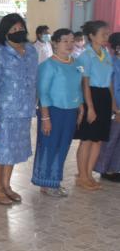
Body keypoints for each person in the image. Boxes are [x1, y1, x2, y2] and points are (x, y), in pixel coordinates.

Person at [0, 14, 37, 205]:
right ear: (5, 32)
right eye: (13, 29)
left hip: (24, 110)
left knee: (13, 149)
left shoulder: (31, 51)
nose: (18, 31)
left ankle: (6, 186)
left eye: (20, 28)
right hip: (4, 111)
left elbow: (34, 78)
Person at [30, 29, 84, 196]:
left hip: (70, 112)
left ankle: (55, 181)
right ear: (55, 43)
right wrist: (45, 118)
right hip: (52, 112)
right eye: (65, 41)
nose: (69, 44)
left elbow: (78, 86)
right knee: (49, 145)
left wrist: (80, 106)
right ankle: (46, 183)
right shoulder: (48, 66)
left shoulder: (76, 63)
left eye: (72, 40)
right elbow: (43, 93)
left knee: (63, 146)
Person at [75, 20, 115, 191]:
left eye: (107, 34)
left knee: (98, 140)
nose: (106, 37)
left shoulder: (106, 54)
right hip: (91, 96)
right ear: (91, 36)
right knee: (87, 139)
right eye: (103, 34)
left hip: (104, 97)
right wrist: (90, 108)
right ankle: (82, 176)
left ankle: (89, 174)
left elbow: (110, 81)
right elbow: (84, 83)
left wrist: (113, 104)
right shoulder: (85, 56)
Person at [94, 32, 120, 183]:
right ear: (117, 47)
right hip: (115, 107)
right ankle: (103, 169)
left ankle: (115, 168)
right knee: (111, 139)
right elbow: (111, 88)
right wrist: (115, 109)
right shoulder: (111, 63)